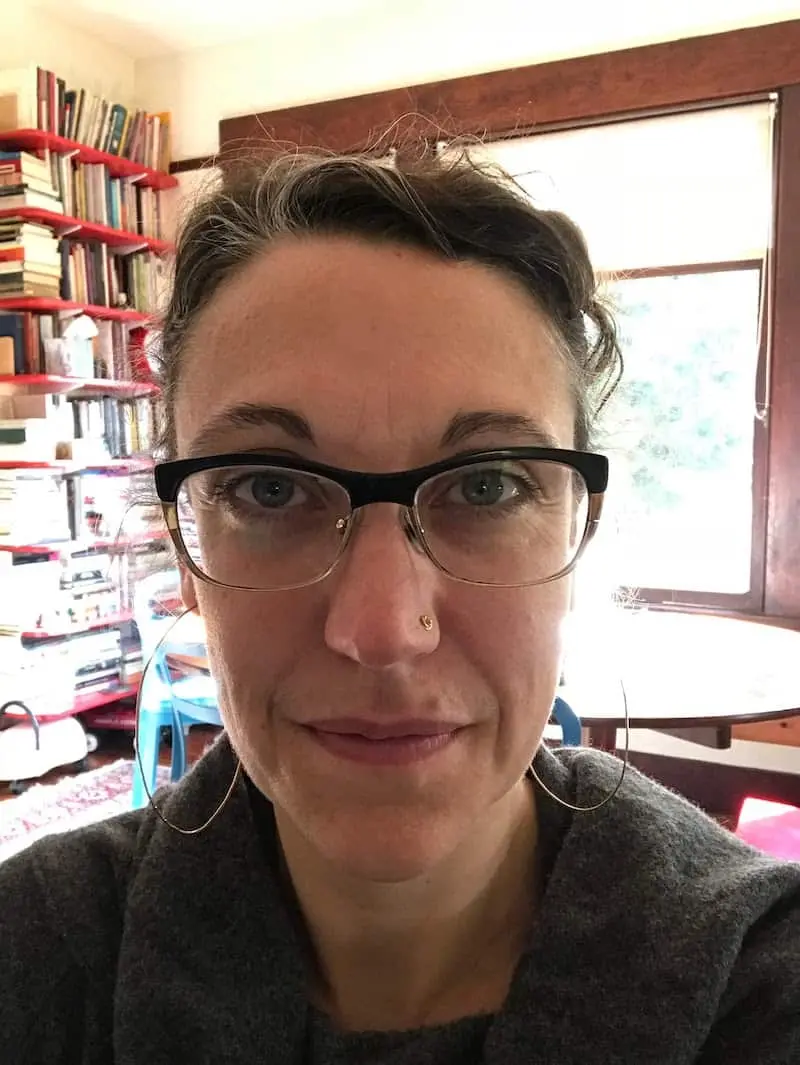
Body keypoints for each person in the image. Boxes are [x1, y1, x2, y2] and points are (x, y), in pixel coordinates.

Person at [1, 148, 798, 1065]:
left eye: (489, 486)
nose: (380, 631)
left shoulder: (761, 985)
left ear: (579, 534)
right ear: (185, 550)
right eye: (268, 489)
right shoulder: (37, 953)